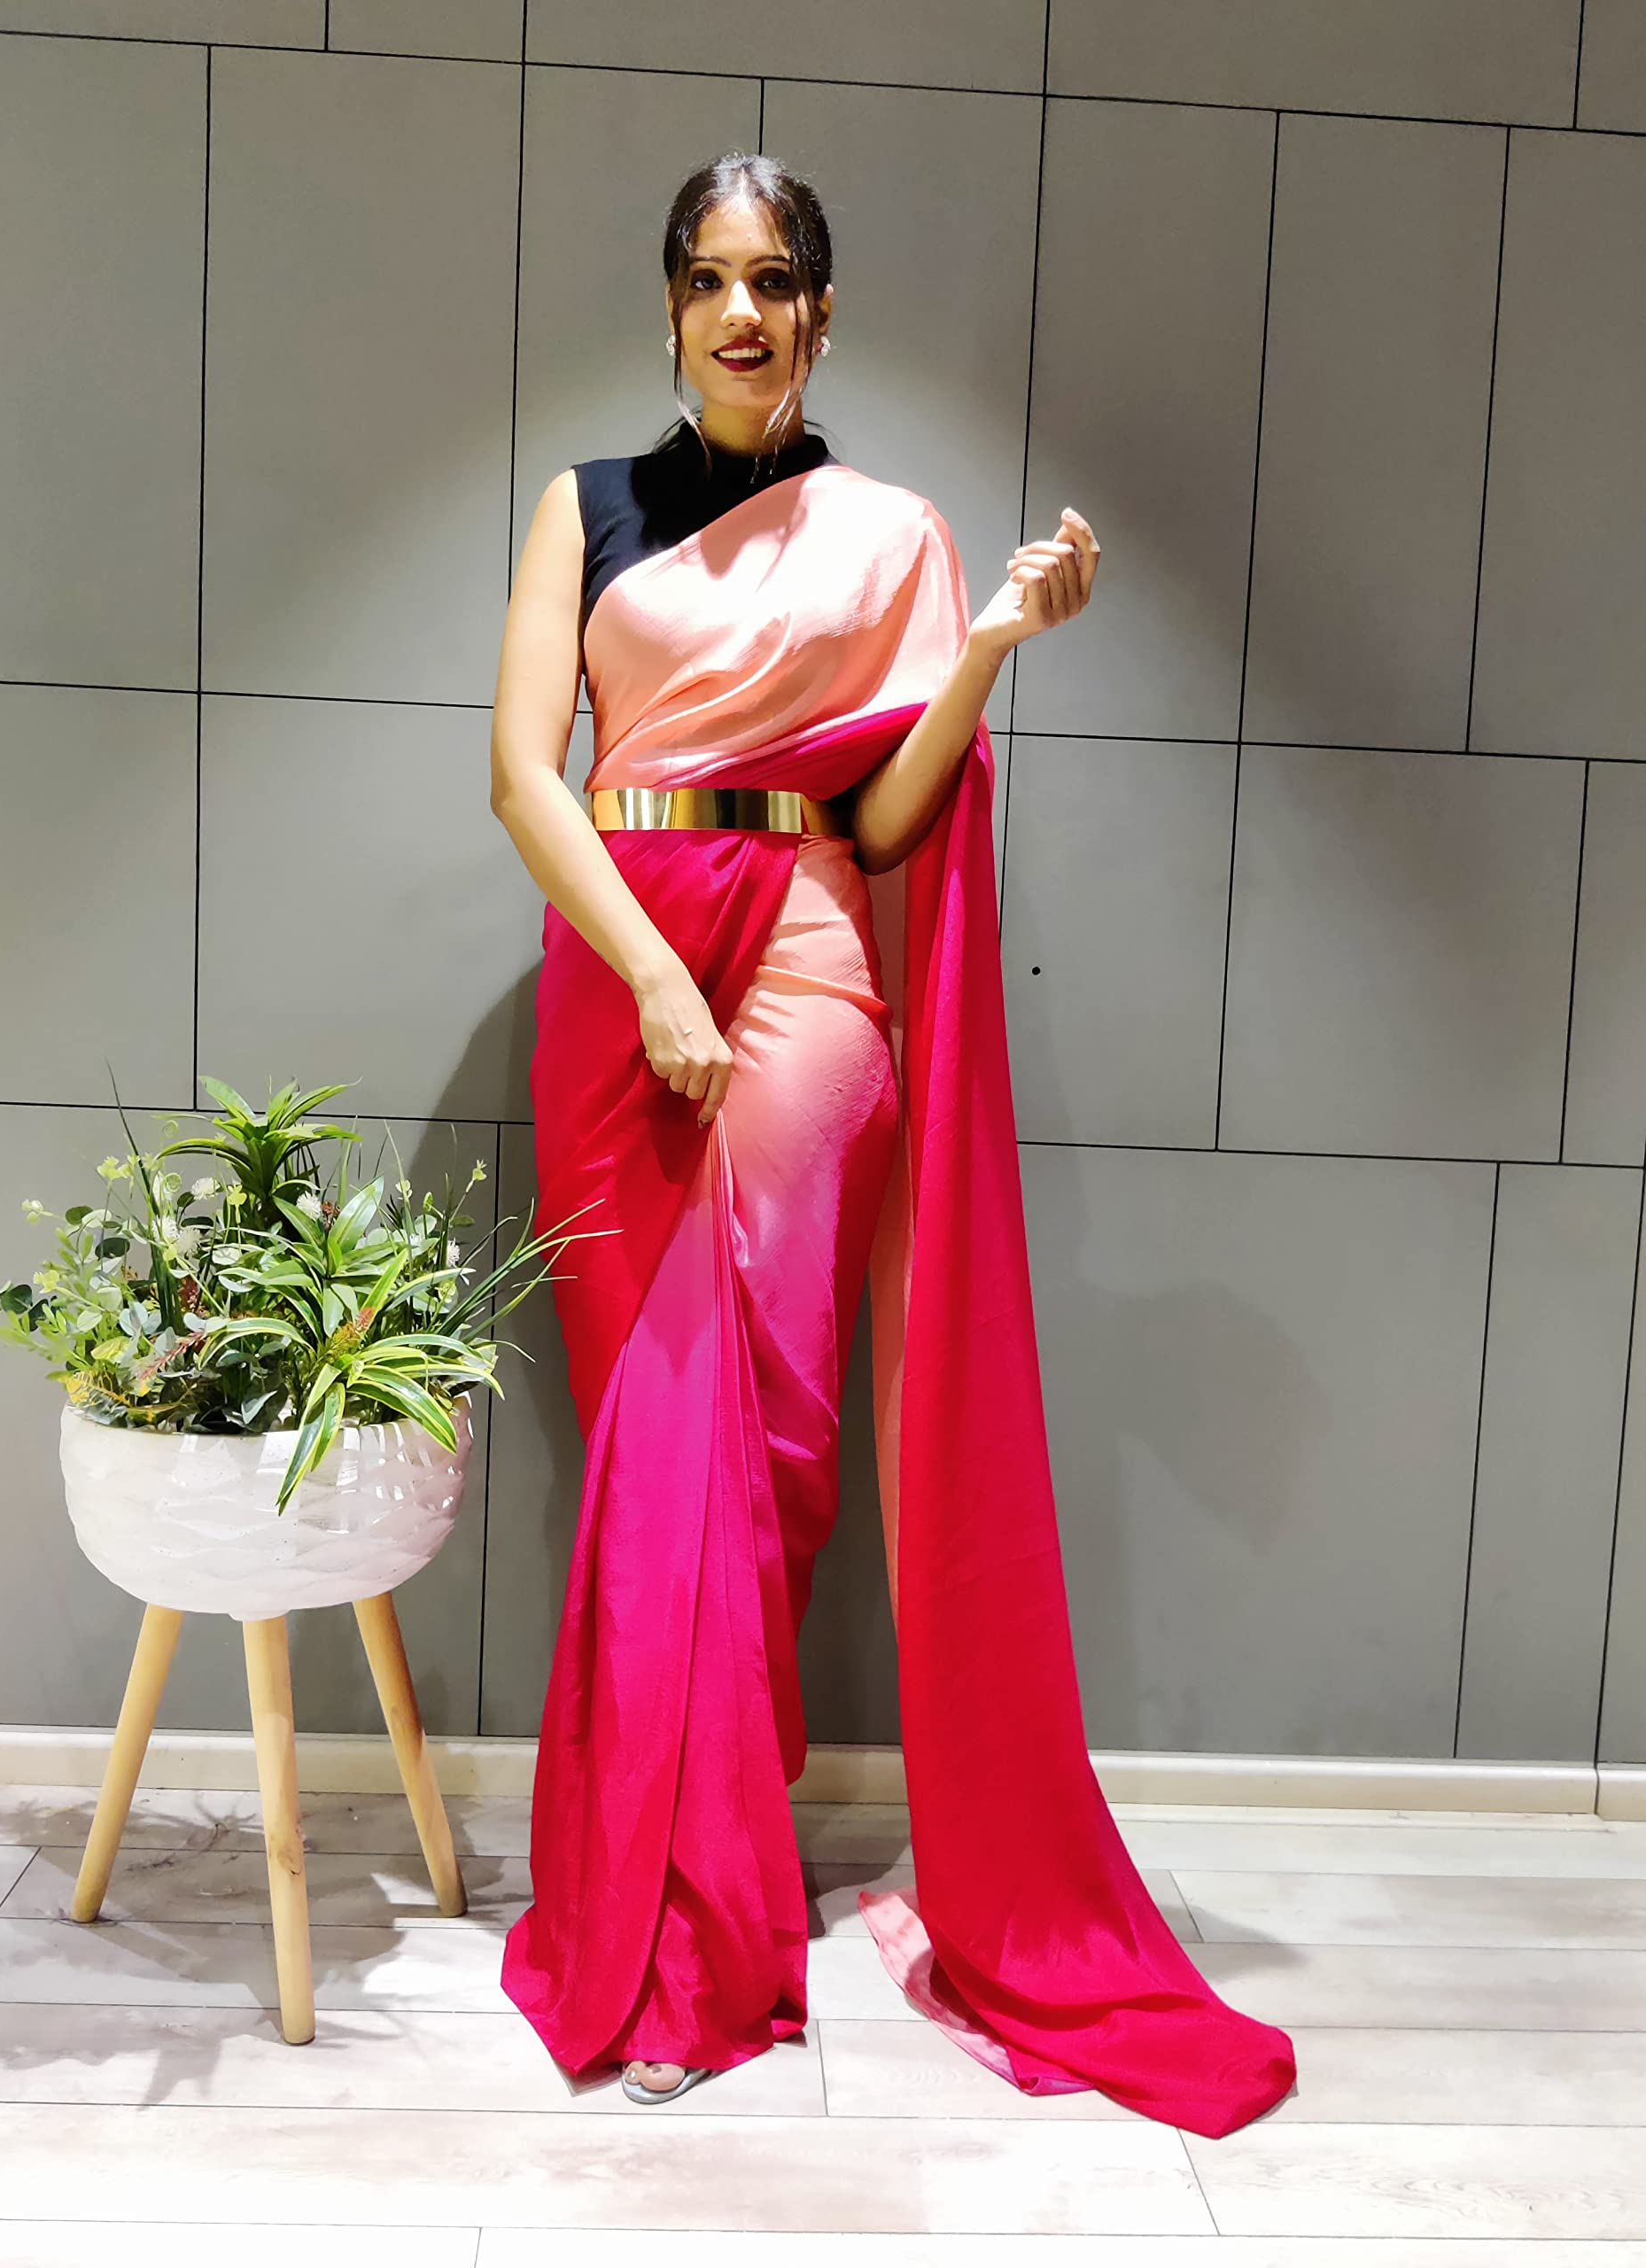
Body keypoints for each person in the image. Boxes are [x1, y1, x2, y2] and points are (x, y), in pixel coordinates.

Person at [487, 151, 1297, 2137]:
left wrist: (994, 642)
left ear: (823, 313)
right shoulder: (582, 509)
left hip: (806, 957)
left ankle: (699, 1925)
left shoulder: (897, 539)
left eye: (775, 280)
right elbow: (522, 775)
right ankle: (672, 1880)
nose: (740, 312)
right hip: (622, 973)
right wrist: (650, 978)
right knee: (649, 1437)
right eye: (708, 278)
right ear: (670, 306)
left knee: (752, 1443)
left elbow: (893, 813)